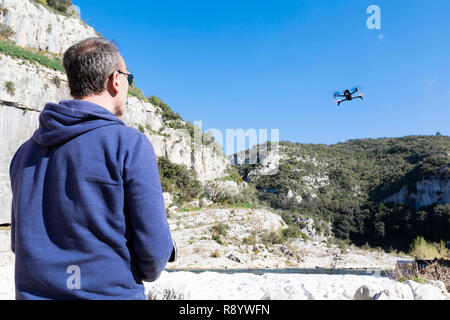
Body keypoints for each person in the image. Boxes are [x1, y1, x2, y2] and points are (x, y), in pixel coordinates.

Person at [8, 37, 174, 300]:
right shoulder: (129, 144)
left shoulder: (23, 153)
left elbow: (20, 244)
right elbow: (153, 255)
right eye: (129, 79)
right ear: (115, 80)